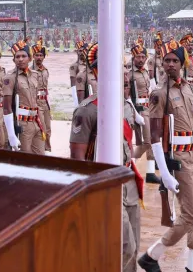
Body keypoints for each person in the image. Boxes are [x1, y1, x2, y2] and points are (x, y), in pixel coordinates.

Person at [138, 40, 193, 272]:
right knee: (190, 215)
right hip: (179, 158)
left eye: (174, 61)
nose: (169, 64)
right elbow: (155, 137)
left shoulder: (188, 87)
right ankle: (152, 255)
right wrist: (165, 173)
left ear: (182, 63)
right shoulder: (159, 93)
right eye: (166, 60)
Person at [71, 68, 144, 272]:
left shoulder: (127, 107)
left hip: (128, 180)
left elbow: (134, 146)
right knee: (124, 245)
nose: (125, 81)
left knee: (134, 245)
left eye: (126, 78)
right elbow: (77, 158)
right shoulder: (87, 110)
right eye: (119, 76)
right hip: (103, 183)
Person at [6, 39, 46, 153]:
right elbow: (7, 107)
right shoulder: (10, 77)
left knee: (40, 156)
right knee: (25, 159)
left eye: (23, 56)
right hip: (22, 124)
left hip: (36, 121)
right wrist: (11, 134)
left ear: (30, 58)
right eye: (17, 57)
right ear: (14, 59)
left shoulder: (35, 75)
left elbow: (36, 100)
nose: (20, 59)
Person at [130, 38, 161, 184]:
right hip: (138, 110)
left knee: (148, 141)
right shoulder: (129, 74)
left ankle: (135, 166)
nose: (141, 59)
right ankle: (131, 165)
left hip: (148, 108)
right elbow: (127, 96)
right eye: (138, 57)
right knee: (147, 141)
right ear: (133, 57)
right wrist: (135, 115)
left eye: (143, 57)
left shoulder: (145, 72)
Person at [31, 38, 52, 151]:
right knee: (41, 127)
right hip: (36, 102)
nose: (39, 57)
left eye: (41, 55)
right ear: (33, 56)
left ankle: (46, 149)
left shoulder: (46, 70)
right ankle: (40, 150)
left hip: (45, 103)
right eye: (37, 55)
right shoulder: (29, 71)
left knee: (48, 128)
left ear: (44, 57)